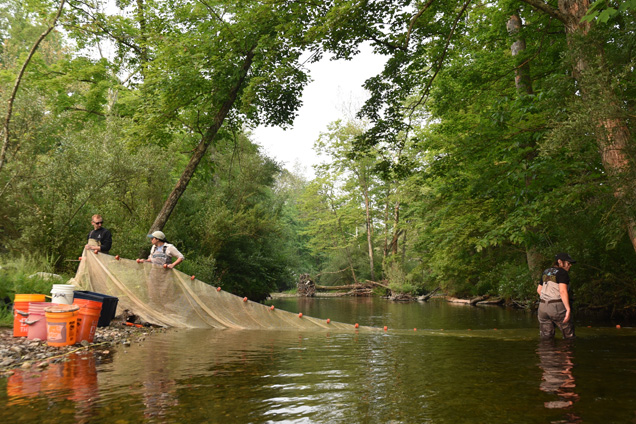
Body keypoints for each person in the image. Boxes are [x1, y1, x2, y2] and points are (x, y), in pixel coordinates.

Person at [537, 253, 576, 339]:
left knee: (546, 337)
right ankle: (566, 351)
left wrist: (548, 299)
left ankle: (546, 351)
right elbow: (562, 291)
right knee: (569, 336)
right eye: (568, 263)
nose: (570, 265)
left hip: (542, 307)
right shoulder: (563, 273)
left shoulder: (546, 272)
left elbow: (539, 290)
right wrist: (568, 309)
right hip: (556, 306)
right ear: (560, 262)